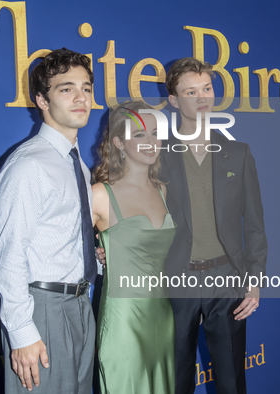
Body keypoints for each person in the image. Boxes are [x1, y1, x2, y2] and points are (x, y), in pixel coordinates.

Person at [0, 48, 98, 394]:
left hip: (81, 306)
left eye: (86, 87)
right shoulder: (28, 166)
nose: (80, 97)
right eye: (66, 89)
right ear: (41, 99)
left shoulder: (78, 166)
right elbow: (10, 254)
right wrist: (22, 332)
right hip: (42, 312)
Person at [161, 58, 268, 394]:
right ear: (174, 101)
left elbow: (254, 224)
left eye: (206, 88)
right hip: (175, 283)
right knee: (176, 381)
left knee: (231, 381)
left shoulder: (238, 153)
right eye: (190, 91)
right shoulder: (158, 154)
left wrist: (254, 279)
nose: (202, 97)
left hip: (227, 280)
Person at [92, 102, 176, 394]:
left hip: (163, 316)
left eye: (155, 133)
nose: (151, 142)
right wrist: (99, 253)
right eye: (139, 135)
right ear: (118, 142)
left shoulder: (162, 190)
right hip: (123, 319)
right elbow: (65, 248)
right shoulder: (100, 194)